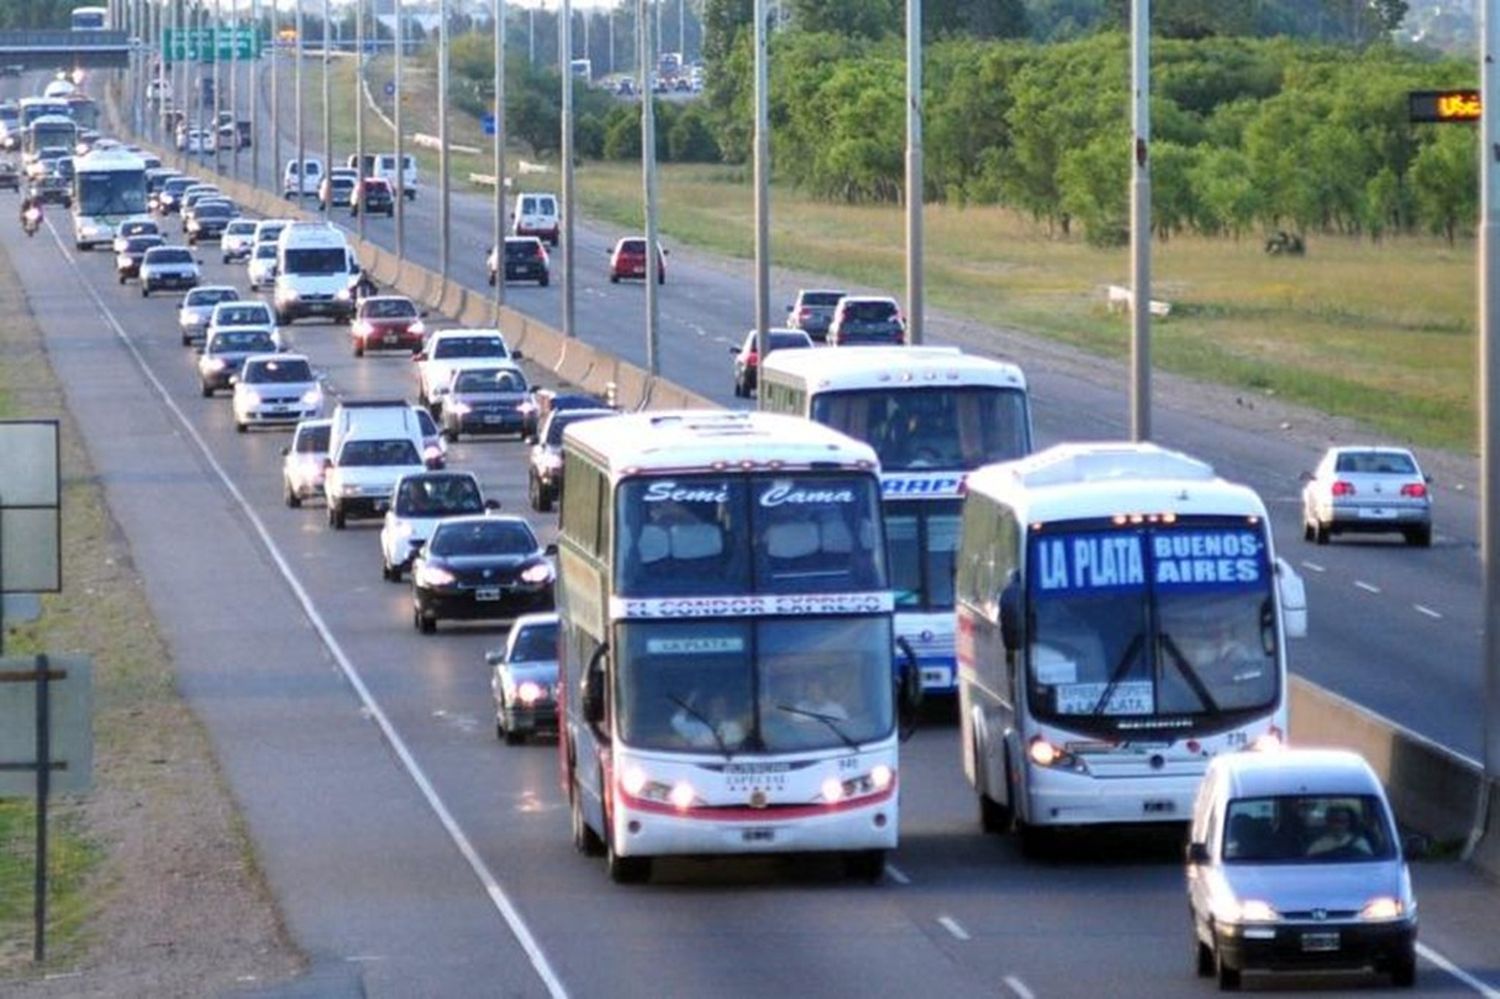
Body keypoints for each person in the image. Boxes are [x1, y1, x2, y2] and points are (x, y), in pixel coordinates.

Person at [1305, 804, 1373, 858]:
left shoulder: (1360, 843)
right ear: (1328, 822)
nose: (1338, 825)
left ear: (1348, 823)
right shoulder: (1317, 846)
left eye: (1343, 821)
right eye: (1335, 821)